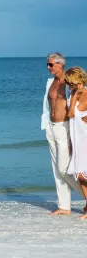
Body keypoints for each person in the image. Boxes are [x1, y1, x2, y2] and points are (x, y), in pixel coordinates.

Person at [41, 52, 84, 215]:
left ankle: (85, 196)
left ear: (61, 64)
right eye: (47, 64)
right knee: (56, 169)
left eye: (51, 64)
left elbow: (83, 96)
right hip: (51, 127)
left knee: (64, 168)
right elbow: (48, 104)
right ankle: (64, 206)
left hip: (65, 127)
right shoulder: (50, 82)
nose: (48, 67)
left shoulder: (70, 82)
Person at [65, 67, 87, 219]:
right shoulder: (73, 93)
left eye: (70, 83)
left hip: (85, 137)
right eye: (68, 83)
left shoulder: (85, 93)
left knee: (81, 173)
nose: (69, 86)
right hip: (77, 139)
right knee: (79, 174)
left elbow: (71, 113)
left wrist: (73, 99)